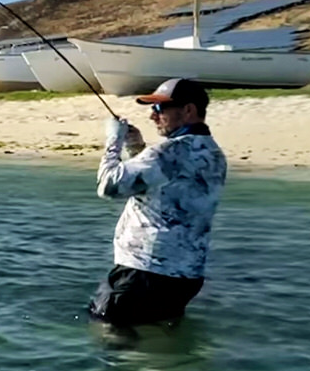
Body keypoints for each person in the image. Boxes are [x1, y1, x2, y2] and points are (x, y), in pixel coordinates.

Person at [91, 77, 227, 326]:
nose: (153, 116)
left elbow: (109, 186)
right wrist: (136, 148)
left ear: (188, 110)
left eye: (159, 108)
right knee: (157, 335)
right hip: (186, 277)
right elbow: (164, 188)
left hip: (143, 272)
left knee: (107, 332)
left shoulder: (167, 153)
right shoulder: (213, 154)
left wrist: (114, 141)